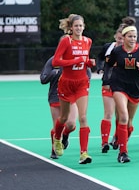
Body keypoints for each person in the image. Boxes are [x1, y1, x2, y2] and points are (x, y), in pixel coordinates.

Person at [106, 17, 139, 163]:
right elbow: (109, 64)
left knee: (129, 122)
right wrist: (107, 80)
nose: (132, 39)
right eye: (130, 36)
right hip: (119, 85)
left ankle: (120, 139)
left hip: (135, 87)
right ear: (124, 37)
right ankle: (123, 152)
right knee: (123, 116)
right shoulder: (117, 51)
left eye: (134, 36)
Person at [52, 14, 96, 164]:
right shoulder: (66, 41)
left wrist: (89, 63)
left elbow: (84, 60)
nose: (79, 28)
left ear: (84, 27)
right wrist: (75, 60)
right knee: (64, 118)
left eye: (81, 26)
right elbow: (56, 61)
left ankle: (84, 153)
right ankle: (57, 138)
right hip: (66, 83)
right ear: (71, 28)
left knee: (83, 117)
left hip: (82, 83)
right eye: (76, 26)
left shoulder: (88, 41)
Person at [40, 56, 78, 159]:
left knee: (71, 124)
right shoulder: (53, 61)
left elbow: (86, 73)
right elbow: (43, 79)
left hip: (70, 96)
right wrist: (53, 73)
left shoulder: (76, 57)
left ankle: (65, 136)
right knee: (57, 124)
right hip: (55, 96)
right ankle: (54, 149)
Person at [97, 25, 124, 153]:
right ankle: (104, 142)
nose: (120, 41)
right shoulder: (108, 47)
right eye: (118, 38)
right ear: (115, 37)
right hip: (108, 84)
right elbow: (100, 57)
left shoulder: (130, 51)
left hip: (123, 86)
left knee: (121, 115)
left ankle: (117, 137)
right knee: (108, 113)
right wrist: (100, 67)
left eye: (122, 38)